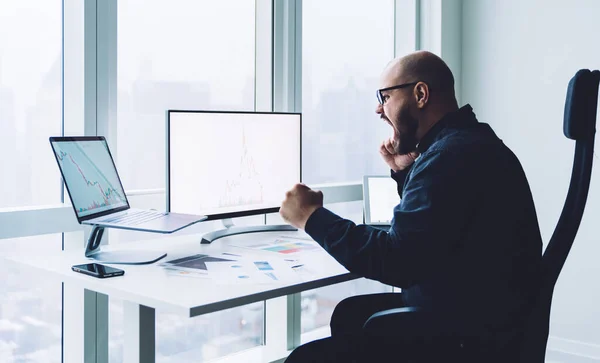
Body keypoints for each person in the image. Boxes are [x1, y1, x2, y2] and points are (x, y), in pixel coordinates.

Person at [279, 51, 542, 362]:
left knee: (303, 359)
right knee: (350, 314)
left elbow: (397, 260)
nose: (379, 108)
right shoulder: (468, 142)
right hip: (481, 318)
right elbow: (437, 228)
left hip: (465, 340)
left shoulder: (450, 156)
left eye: (385, 96)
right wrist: (406, 172)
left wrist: (311, 217)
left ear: (420, 94)